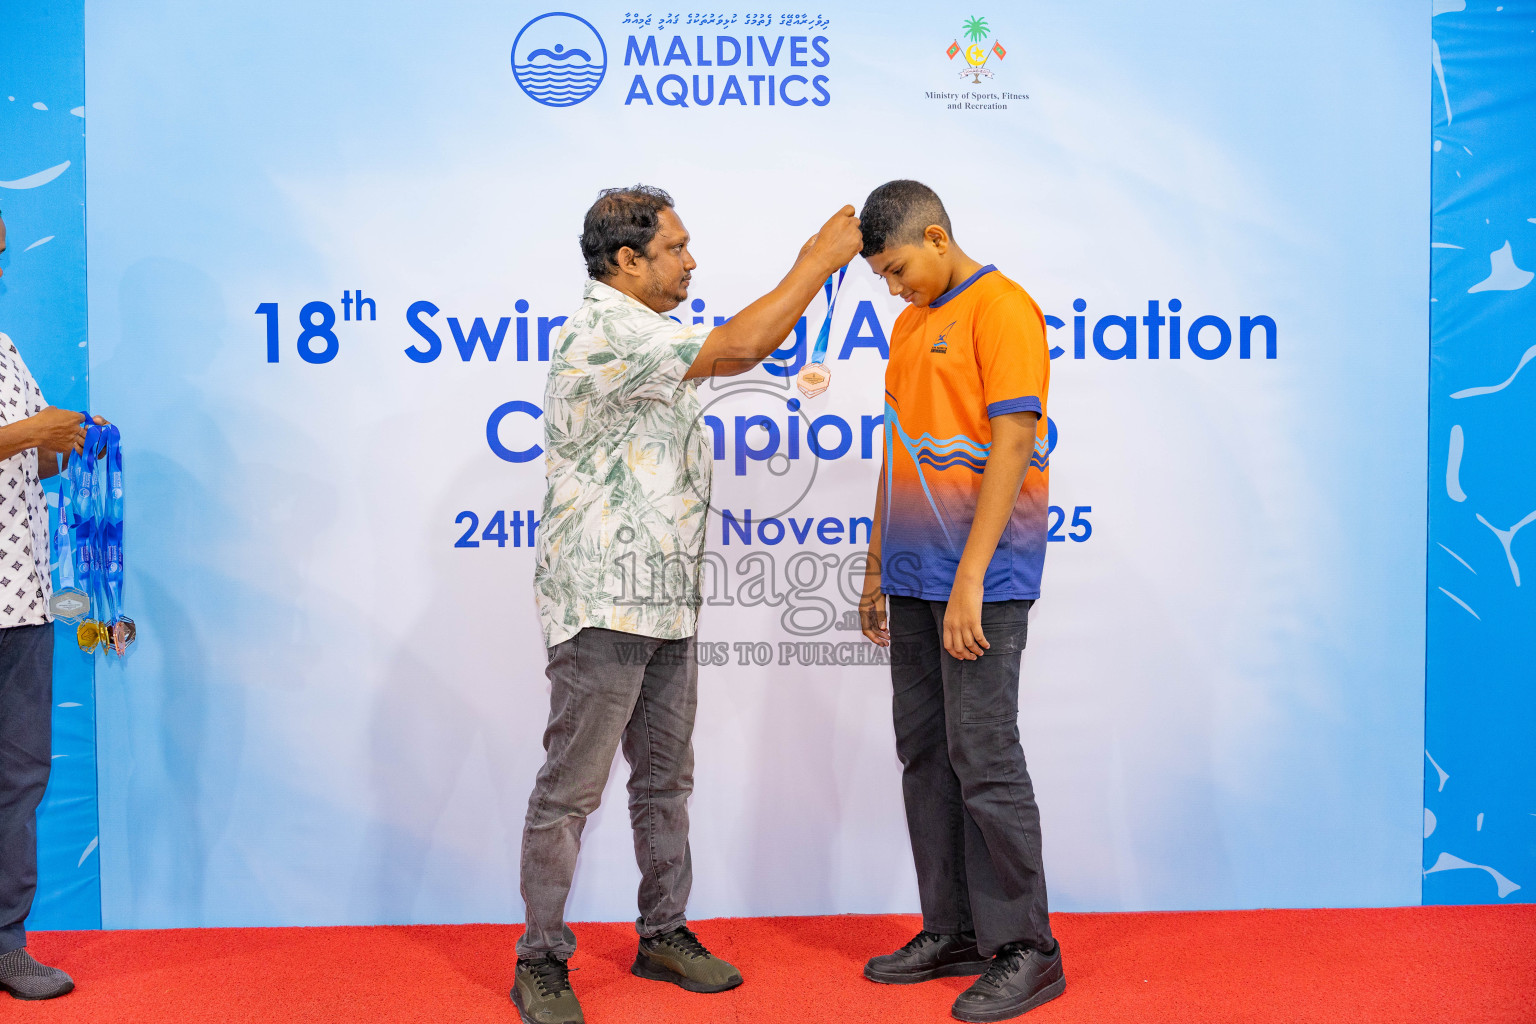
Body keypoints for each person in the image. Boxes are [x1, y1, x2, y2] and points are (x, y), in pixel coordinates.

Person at [514, 186, 862, 1024]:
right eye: (676, 248)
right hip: (603, 602)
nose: (690, 261)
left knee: (665, 783)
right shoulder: (609, 329)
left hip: (666, 601)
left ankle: (664, 933)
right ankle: (540, 960)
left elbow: (732, 357)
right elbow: (741, 345)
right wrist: (816, 261)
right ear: (627, 260)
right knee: (570, 793)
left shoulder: (653, 338)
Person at [856, 180, 1064, 1022]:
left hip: (981, 575)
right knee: (927, 755)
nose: (893, 286)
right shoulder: (909, 326)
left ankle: (1027, 947)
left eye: (898, 267)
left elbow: (1014, 440)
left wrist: (970, 578)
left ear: (936, 237)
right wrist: (876, 567)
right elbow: (897, 450)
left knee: (984, 752)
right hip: (910, 574)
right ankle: (953, 929)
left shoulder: (1004, 309)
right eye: (880, 276)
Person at [0, 206, 106, 1001]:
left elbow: (20, 466)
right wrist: (31, 429)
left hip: (22, 596)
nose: (1, 268)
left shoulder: (4, 349)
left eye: (2, 253)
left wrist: (50, 449)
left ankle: (7, 944)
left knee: (21, 774)